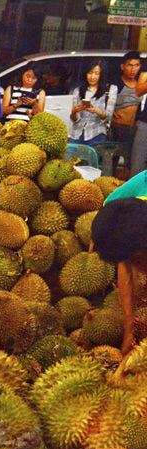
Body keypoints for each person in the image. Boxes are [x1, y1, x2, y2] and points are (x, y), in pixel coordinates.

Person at [91, 197, 147, 355]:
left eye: (138, 261)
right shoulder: (113, 217)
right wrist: (130, 325)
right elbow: (125, 261)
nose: (138, 267)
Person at [68, 59, 116, 146]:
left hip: (97, 132)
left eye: (96, 73)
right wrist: (74, 111)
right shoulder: (78, 90)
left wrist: (96, 111)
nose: (92, 77)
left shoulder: (110, 90)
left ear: (102, 75)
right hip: (77, 133)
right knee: (73, 158)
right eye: (90, 73)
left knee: (92, 158)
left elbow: (108, 116)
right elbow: (75, 120)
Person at [111, 52, 145, 173]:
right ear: (122, 66)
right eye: (130, 65)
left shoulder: (141, 86)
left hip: (132, 130)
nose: (133, 69)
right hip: (115, 129)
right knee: (111, 163)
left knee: (131, 163)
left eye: (137, 65)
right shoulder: (116, 84)